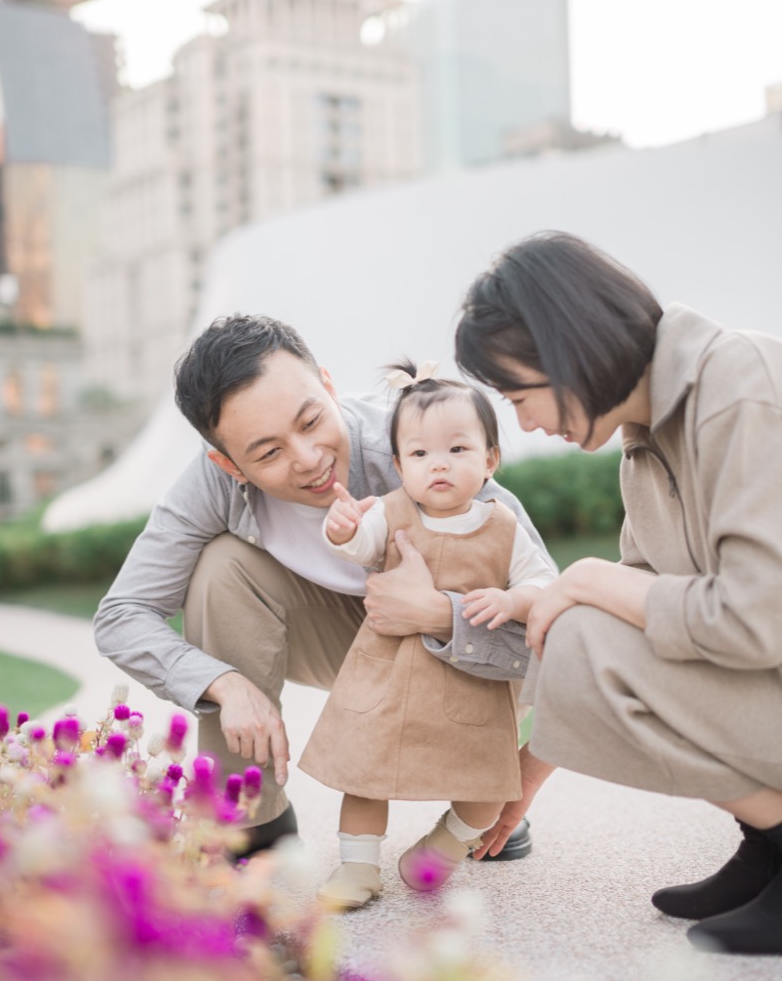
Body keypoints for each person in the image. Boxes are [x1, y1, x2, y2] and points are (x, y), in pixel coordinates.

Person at [94, 315, 554, 858]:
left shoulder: (424, 450)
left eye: (312, 420)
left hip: (469, 652)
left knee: (497, 646)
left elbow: (559, 639)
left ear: (329, 386)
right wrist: (221, 682)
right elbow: (122, 614)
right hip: (348, 644)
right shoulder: (211, 481)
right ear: (228, 462)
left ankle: (476, 798)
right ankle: (249, 814)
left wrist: (437, 615)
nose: (308, 458)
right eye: (268, 453)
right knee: (221, 568)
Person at [450, 230, 782, 956]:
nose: (526, 422)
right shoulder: (645, 438)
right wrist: (526, 781)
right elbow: (621, 625)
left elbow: (758, 619)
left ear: (567, 346)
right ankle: (768, 842)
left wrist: (590, 578)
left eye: (519, 395)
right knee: (568, 620)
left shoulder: (737, 383)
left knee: (582, 606)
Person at [299, 360, 555, 910]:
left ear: (490, 460)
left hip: (473, 683)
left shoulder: (503, 526)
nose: (437, 465)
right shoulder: (391, 512)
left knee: (489, 783)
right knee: (365, 775)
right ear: (398, 465)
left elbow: (543, 584)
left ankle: (441, 848)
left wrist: (512, 598)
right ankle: (358, 866)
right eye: (419, 454)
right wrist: (341, 528)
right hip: (390, 675)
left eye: (457, 450)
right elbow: (359, 543)